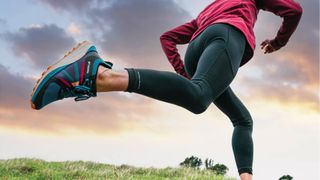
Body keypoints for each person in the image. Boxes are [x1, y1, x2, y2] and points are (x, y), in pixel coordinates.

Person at [30, 0, 302, 179]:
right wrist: (278, 42)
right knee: (198, 99)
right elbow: (293, 10)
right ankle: (102, 76)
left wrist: (184, 74)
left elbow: (168, 38)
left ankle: (246, 177)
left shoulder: (206, 12)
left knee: (242, 119)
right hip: (227, 37)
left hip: (198, 49)